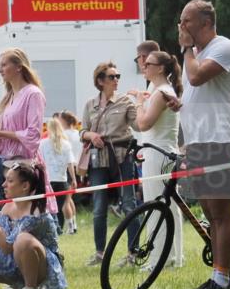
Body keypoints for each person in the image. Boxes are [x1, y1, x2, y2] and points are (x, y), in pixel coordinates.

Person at [170, 0, 230, 289]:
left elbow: (197, 77)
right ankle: (218, 274)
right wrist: (179, 104)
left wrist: (186, 49)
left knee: (220, 213)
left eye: (186, 20)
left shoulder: (223, 47)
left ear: (205, 22)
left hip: (221, 139)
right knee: (209, 213)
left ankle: (222, 279)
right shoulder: (196, 54)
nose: (181, 25)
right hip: (199, 142)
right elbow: (196, 92)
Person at [0, 49, 54, 213]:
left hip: (23, 166)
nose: (0, 70)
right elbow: (16, 127)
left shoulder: (33, 94)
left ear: (19, 67)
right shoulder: (9, 96)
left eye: (4, 65)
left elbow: (33, 135)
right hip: (5, 164)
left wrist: (0, 134)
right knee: (5, 217)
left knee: (26, 216)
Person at [80, 61, 138, 266]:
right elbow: (82, 132)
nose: (116, 80)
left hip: (123, 156)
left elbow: (139, 124)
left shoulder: (125, 101)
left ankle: (133, 253)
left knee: (129, 204)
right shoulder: (90, 104)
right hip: (98, 159)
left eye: (118, 76)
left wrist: (141, 103)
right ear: (100, 81)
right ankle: (99, 253)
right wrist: (91, 135)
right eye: (112, 77)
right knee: (98, 207)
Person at [135, 50, 184, 270]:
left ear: (161, 68)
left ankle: (159, 259)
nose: (144, 67)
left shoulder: (162, 91)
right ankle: (170, 256)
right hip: (161, 152)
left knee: (157, 205)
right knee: (166, 206)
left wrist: (138, 103)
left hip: (158, 153)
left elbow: (143, 124)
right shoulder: (159, 90)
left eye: (148, 64)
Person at [39, 116, 76, 234]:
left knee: (48, 207)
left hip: (48, 180)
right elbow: (70, 163)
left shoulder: (42, 143)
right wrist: (74, 179)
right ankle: (59, 229)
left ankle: (53, 230)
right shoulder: (66, 144)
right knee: (59, 207)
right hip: (62, 179)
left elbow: (40, 162)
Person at [59, 111, 82, 233]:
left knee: (65, 201)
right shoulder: (77, 133)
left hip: (67, 168)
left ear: (64, 121)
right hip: (76, 167)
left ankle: (70, 228)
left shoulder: (63, 134)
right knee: (69, 199)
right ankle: (74, 225)